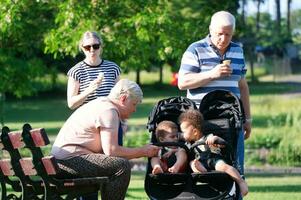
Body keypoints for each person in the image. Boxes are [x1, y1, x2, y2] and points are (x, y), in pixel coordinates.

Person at [51, 79, 160, 200]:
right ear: (123, 99)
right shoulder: (109, 111)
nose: (134, 109)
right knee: (121, 166)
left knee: (115, 164)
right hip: (68, 162)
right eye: (134, 104)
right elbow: (112, 151)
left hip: (60, 162)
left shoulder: (101, 103)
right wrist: (143, 151)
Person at [177, 11, 251, 178]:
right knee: (204, 168)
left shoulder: (238, 50)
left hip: (233, 119)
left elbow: (243, 85)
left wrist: (248, 119)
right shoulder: (195, 49)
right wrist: (212, 74)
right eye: (219, 34)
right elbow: (182, 82)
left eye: (228, 34)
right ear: (210, 29)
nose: (223, 39)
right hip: (202, 122)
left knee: (236, 168)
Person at [178, 109, 248, 197]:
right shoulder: (188, 144)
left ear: (195, 132)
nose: (181, 134)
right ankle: (201, 170)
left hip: (213, 159)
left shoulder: (208, 137)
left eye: (183, 132)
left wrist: (215, 139)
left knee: (224, 167)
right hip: (201, 163)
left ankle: (241, 182)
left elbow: (222, 145)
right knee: (192, 163)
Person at [67, 31, 121, 110]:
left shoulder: (113, 68)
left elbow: (119, 97)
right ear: (82, 48)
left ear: (101, 47)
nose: (92, 50)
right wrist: (89, 90)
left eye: (95, 46)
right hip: (88, 119)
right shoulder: (76, 71)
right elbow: (71, 104)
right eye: (87, 47)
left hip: (111, 117)